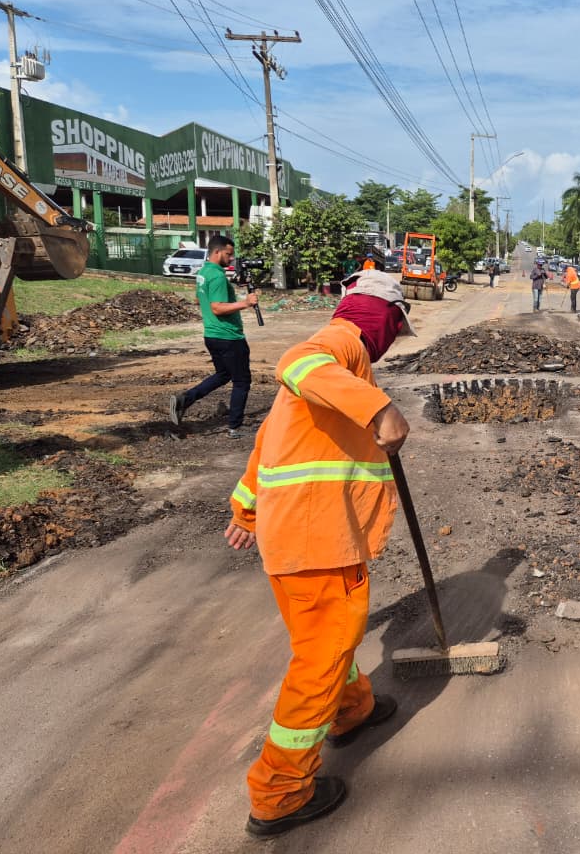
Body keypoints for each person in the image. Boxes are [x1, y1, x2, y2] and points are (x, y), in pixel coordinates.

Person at [222, 268, 415, 838]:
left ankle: (352, 709)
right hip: (318, 539)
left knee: (326, 642)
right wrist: (378, 408)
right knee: (320, 657)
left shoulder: (338, 366)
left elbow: (272, 443)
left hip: (294, 538)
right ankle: (279, 792)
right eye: (396, 327)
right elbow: (296, 362)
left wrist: (246, 509)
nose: (392, 338)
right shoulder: (342, 344)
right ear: (384, 318)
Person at [169, 235, 258, 438]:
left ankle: (185, 400)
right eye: (228, 254)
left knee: (223, 374)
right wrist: (245, 303)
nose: (231, 258)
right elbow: (217, 307)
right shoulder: (217, 276)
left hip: (211, 335)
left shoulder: (204, 272)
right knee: (242, 381)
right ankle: (235, 427)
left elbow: (201, 300)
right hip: (229, 337)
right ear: (217, 252)